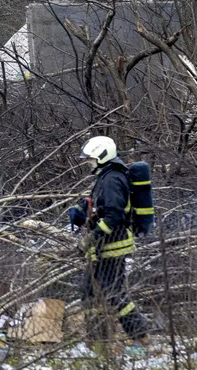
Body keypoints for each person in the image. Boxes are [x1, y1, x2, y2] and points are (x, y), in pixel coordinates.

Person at [69, 136, 148, 349]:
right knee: (89, 290)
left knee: (113, 292)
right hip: (103, 247)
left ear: (102, 156)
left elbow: (113, 215)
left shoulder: (112, 179)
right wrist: (82, 210)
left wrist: (91, 237)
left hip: (113, 245)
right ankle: (98, 339)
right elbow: (100, 208)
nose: (89, 163)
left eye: (91, 158)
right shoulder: (105, 177)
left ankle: (141, 336)